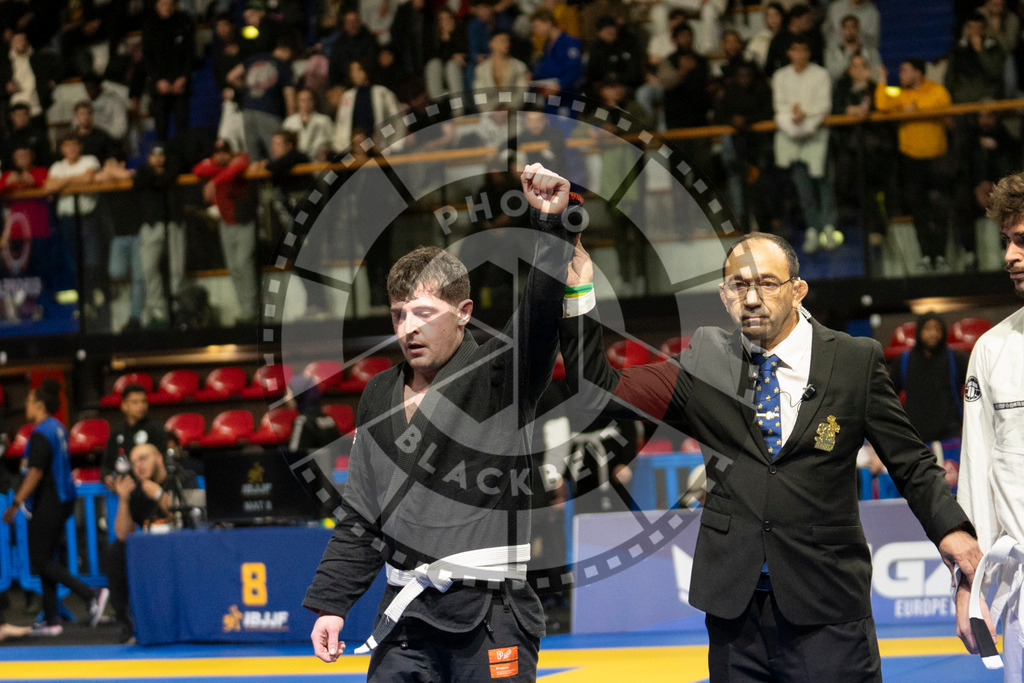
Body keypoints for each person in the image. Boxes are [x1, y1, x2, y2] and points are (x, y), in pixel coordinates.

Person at [558, 232, 984, 680]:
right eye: (739, 285)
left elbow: (910, 462)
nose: (753, 298)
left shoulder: (855, 361)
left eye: (768, 282)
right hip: (735, 616)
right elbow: (596, 392)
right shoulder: (705, 360)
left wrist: (952, 531)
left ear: (798, 289)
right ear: (724, 296)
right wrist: (579, 291)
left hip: (828, 610)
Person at [302, 163, 580, 680]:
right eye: (399, 314)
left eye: (425, 312)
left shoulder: (502, 375)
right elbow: (363, 511)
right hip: (406, 617)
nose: (408, 327)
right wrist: (332, 602)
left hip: (492, 617)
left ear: (464, 312)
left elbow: (541, 310)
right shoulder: (378, 394)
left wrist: (551, 227)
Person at [957, 170, 1024, 678]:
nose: (1010, 256)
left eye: (1022, 241)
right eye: (1007, 241)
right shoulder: (992, 350)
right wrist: (968, 586)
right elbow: (976, 476)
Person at [2, 380, 109, 635]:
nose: (25, 405)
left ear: (39, 405)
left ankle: (89, 593)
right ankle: (51, 621)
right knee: (45, 559)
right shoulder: (59, 428)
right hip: (62, 500)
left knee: (40, 560)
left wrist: (16, 504)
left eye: (28, 401)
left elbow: (36, 472)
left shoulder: (41, 432)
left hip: (48, 501)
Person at [875, 59, 953, 272]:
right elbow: (882, 104)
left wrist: (916, 107)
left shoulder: (935, 89)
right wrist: (882, 80)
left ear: (918, 73)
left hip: (936, 158)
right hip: (910, 160)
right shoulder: (899, 93)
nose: (901, 73)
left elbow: (943, 103)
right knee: (918, 208)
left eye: (905, 70)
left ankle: (941, 256)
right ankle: (926, 255)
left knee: (939, 206)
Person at [772, 37, 839, 254]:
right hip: (791, 137)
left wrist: (806, 119)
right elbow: (779, 107)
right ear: (789, 53)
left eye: (804, 50)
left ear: (809, 52)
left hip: (816, 135)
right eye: (795, 50)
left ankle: (828, 227)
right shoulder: (780, 76)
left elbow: (824, 105)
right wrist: (794, 121)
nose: (799, 55)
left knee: (823, 181)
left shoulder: (821, 74)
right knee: (803, 186)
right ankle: (812, 227)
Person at [104, 443, 172, 642]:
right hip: (151, 548)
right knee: (115, 551)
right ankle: (126, 621)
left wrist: (159, 494)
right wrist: (124, 499)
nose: (138, 466)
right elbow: (122, 534)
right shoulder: (138, 488)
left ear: (158, 457)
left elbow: (187, 516)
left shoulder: (179, 477)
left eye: (143, 458)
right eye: (134, 463)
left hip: (178, 547)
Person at [192, 139, 258, 325]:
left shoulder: (240, 160)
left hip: (244, 220)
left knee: (244, 263)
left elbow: (237, 168)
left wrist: (215, 180)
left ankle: (252, 311)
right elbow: (197, 170)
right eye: (217, 152)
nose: (221, 155)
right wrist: (217, 173)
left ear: (231, 152)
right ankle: (246, 310)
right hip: (226, 222)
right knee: (234, 267)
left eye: (224, 151)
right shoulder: (218, 167)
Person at [889, 313, 968, 444]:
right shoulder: (904, 361)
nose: (933, 333)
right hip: (915, 439)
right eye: (928, 328)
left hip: (951, 438)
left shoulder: (956, 358)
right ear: (919, 331)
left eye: (937, 329)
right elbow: (888, 397)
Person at [133, 144, 185, 327]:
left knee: (176, 268)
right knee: (149, 268)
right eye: (154, 155)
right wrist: (154, 173)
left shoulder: (172, 168)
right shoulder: (143, 172)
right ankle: (158, 310)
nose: (158, 159)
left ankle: (175, 305)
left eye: (161, 155)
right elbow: (139, 183)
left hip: (173, 222)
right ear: (148, 158)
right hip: (151, 225)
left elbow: (168, 177)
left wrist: (159, 175)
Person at [141, 0, 195, 141]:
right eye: (162, 3)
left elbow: (189, 53)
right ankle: (162, 158)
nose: (166, 7)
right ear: (156, 5)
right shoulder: (149, 25)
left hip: (180, 84)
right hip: (159, 86)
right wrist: (158, 80)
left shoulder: (184, 22)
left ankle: (184, 157)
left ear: (174, 4)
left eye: (169, 3)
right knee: (161, 128)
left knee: (182, 125)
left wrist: (183, 77)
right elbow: (147, 57)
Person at [102, 383, 169, 493]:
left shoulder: (156, 429)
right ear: (124, 405)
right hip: (124, 488)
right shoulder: (117, 431)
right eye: (135, 402)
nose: (141, 406)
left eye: (143, 401)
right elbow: (107, 464)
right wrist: (107, 477)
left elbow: (163, 462)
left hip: (150, 487)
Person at [283, 88, 335, 161]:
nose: (306, 103)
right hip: (297, 163)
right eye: (302, 100)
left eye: (309, 99)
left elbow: (333, 143)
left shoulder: (324, 120)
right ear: (297, 102)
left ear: (314, 101)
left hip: (320, 163)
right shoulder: (289, 122)